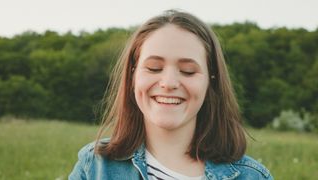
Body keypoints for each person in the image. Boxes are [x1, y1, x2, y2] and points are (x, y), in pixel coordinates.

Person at [69, 10, 273, 180]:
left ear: (210, 80)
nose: (168, 83)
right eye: (154, 68)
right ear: (132, 76)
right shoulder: (95, 167)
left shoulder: (251, 176)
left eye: (188, 71)